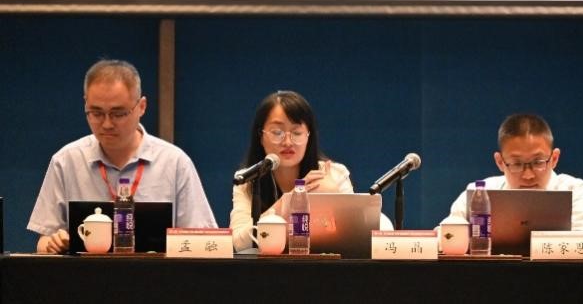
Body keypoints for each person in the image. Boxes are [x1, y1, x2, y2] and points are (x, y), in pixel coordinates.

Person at [28, 59, 217, 254]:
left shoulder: (174, 163)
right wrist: (53, 244)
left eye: (118, 114)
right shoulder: (66, 161)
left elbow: (203, 242)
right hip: (85, 273)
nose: (107, 124)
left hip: (156, 273)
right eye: (96, 113)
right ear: (85, 104)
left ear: (141, 106)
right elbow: (44, 240)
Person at [229, 90, 354, 251]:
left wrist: (332, 194)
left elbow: (354, 239)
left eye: (297, 133)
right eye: (277, 132)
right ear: (261, 136)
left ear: (308, 137)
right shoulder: (247, 179)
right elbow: (238, 243)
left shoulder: (334, 175)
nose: (288, 142)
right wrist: (287, 203)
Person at [442, 113, 583, 233]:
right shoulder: (479, 193)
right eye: (517, 164)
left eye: (538, 162)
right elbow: (448, 234)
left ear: (554, 158)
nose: (528, 175)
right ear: (500, 162)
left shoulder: (577, 191)